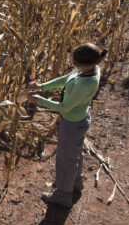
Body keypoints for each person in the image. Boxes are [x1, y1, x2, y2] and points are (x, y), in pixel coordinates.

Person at [27, 43, 107, 208]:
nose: (73, 65)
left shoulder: (86, 84)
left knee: (65, 160)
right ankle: (76, 182)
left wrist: (38, 100)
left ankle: (63, 195)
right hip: (79, 119)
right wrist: (42, 87)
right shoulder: (90, 68)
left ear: (82, 63)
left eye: (75, 62)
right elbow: (66, 79)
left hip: (72, 124)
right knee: (75, 154)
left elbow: (64, 107)